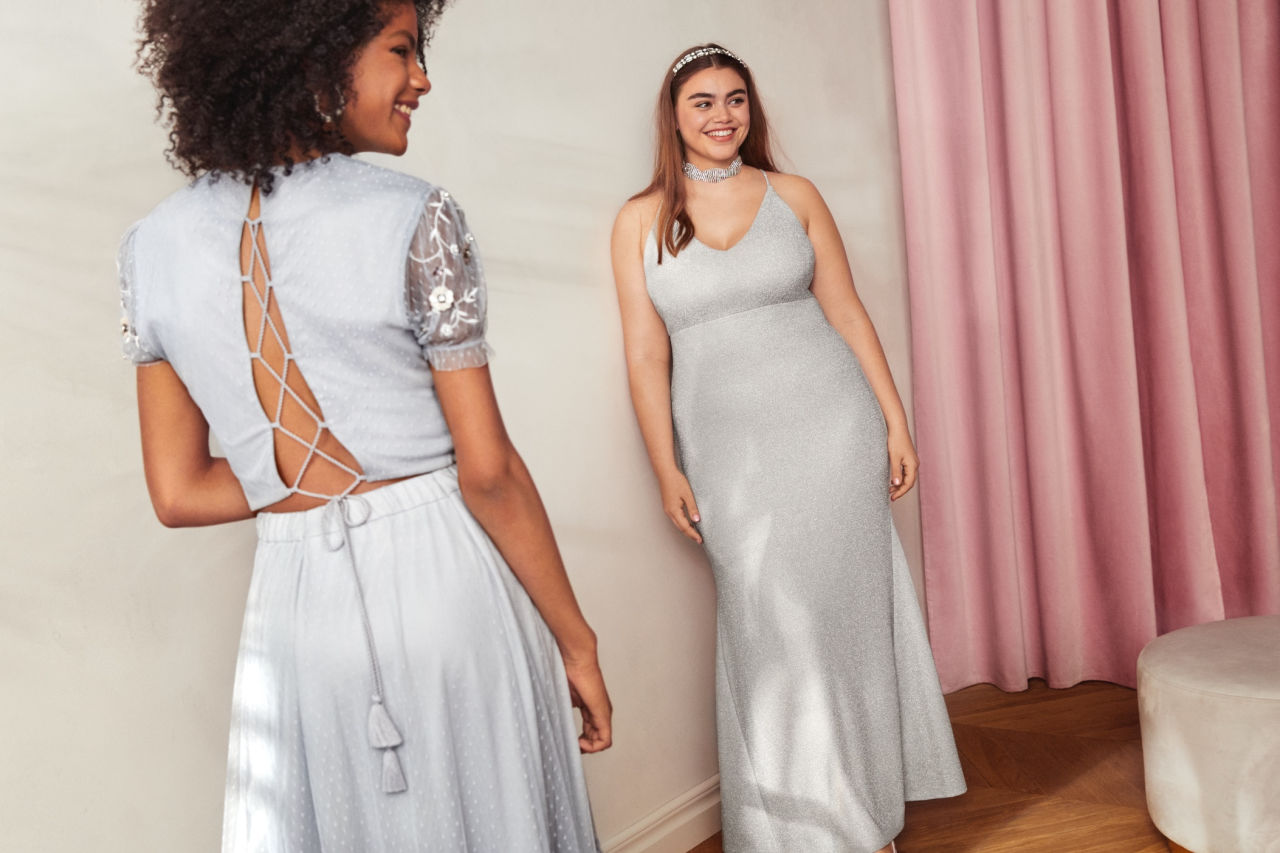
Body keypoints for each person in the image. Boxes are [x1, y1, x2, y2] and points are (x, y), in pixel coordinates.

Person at [121, 1, 610, 850]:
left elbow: (178, 490)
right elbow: (489, 472)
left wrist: (299, 480)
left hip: (294, 618)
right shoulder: (416, 215)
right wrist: (578, 642)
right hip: (443, 585)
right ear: (317, 57)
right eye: (401, 51)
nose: (422, 79)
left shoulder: (149, 248)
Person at [610, 43, 966, 853]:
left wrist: (895, 421)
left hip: (832, 429)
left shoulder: (793, 194)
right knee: (772, 630)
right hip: (727, 455)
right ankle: (798, 825)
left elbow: (847, 311)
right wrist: (665, 465)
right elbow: (645, 353)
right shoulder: (638, 220)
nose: (722, 115)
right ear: (674, 116)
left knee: (845, 622)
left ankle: (862, 816)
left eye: (735, 98)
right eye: (703, 101)